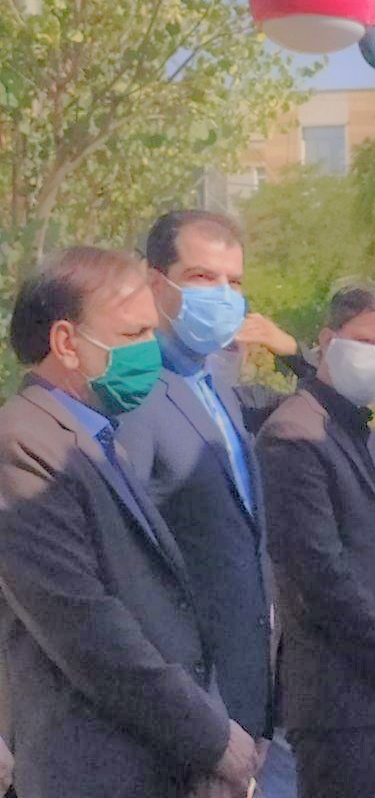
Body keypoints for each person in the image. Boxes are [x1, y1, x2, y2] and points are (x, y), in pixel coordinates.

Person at [0, 247, 257, 798]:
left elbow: (166, 610)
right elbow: (90, 632)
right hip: (97, 772)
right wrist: (211, 740)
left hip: (159, 764)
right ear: (67, 343)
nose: (149, 351)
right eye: (132, 334)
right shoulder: (23, 446)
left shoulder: (96, 437)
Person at [257, 285, 375, 798]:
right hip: (337, 704)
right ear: (327, 340)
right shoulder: (293, 435)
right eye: (367, 343)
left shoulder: (362, 434)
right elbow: (320, 577)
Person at [116, 211, 276, 784]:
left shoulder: (218, 391)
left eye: (234, 282)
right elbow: (126, 574)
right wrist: (198, 720)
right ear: (154, 281)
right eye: (203, 277)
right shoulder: (132, 396)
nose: (223, 295)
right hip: (183, 722)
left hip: (244, 708)